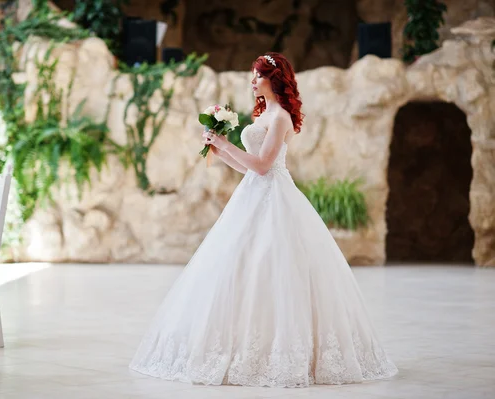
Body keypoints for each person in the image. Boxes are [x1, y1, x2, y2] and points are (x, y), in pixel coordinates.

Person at [129, 52, 397, 388]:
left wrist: (227, 143)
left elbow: (263, 165)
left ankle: (282, 353)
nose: (252, 81)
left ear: (274, 79)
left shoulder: (281, 117)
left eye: (258, 75)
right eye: (252, 75)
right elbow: (248, 168)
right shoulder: (263, 115)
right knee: (236, 266)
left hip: (276, 198)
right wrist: (219, 147)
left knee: (274, 268)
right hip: (252, 194)